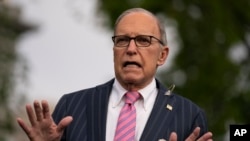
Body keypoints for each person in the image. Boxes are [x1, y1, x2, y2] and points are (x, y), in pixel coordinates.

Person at [17, 8, 213, 141]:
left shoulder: (189, 116)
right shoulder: (72, 106)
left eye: (143, 40)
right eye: (122, 40)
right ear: (114, 50)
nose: (131, 49)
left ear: (162, 55)